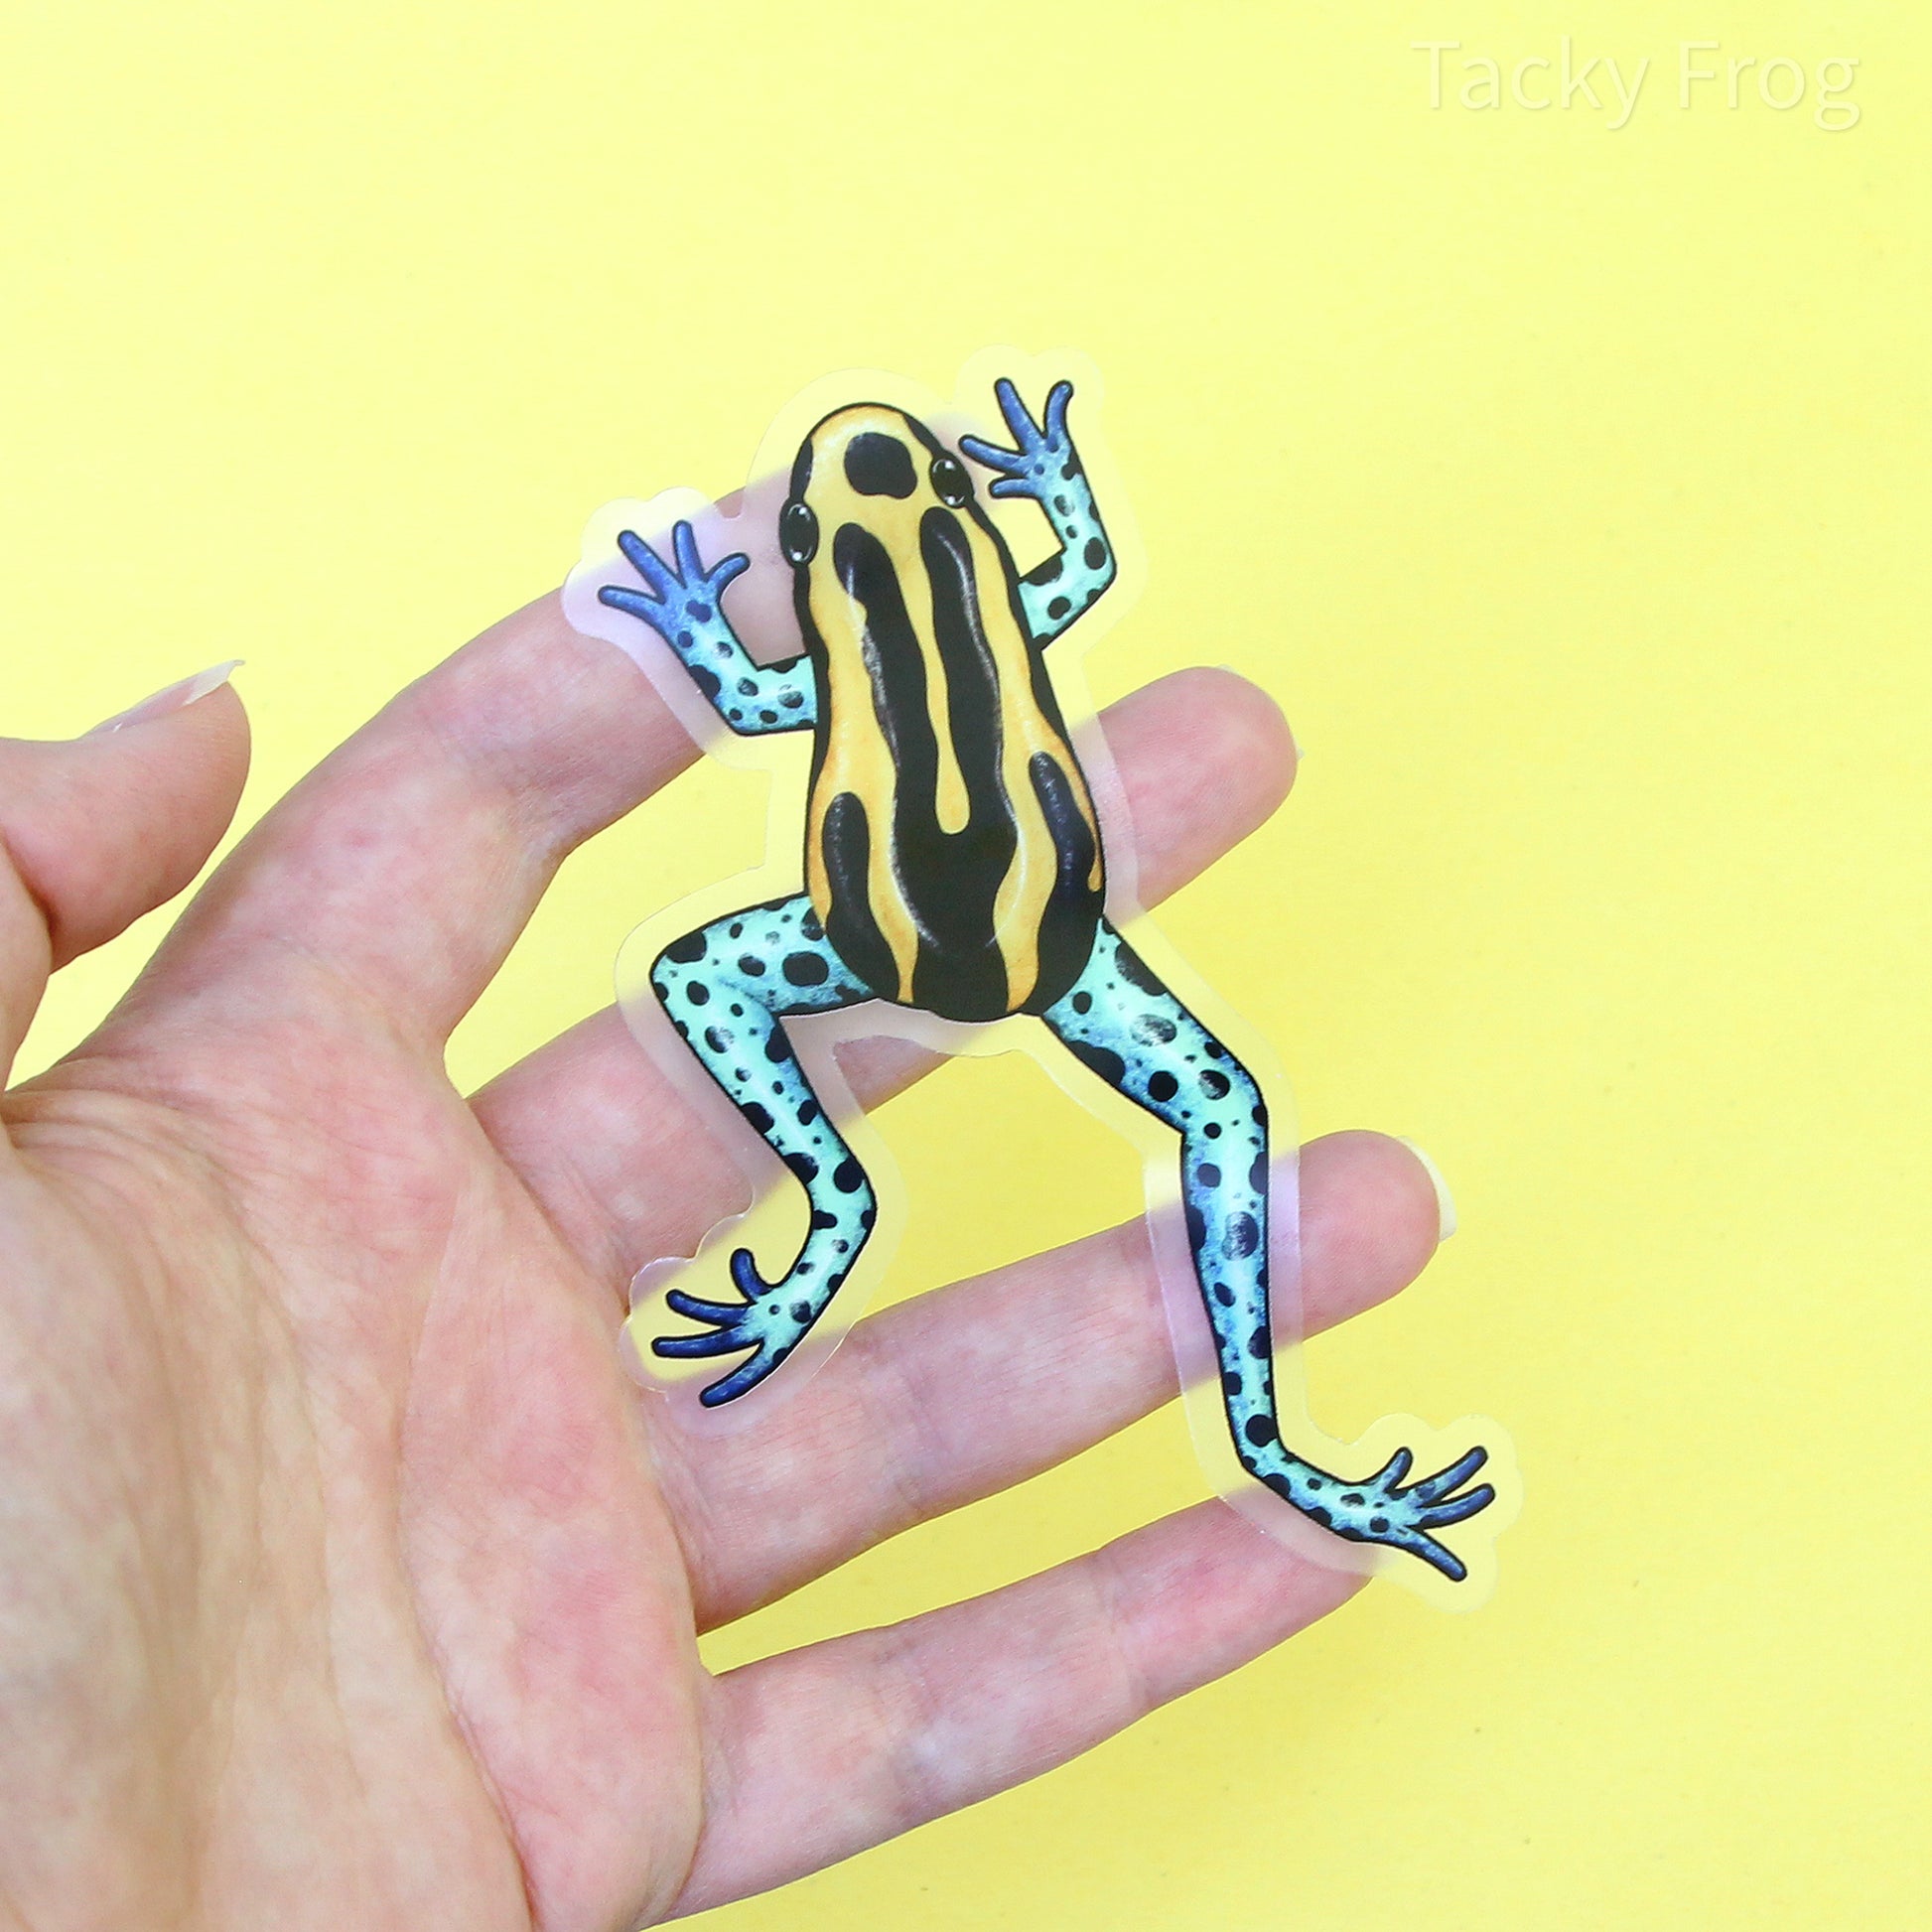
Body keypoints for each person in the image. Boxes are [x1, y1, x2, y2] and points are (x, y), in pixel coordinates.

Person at [0, 593, 1452, 1927]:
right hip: (1039, 939)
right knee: (1223, 1114)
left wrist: (700, 630)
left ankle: (843, 1211)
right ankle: (1238, 1429)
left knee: (704, 977)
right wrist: (1045, 486)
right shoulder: (995, 595)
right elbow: (1058, 572)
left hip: (896, 930)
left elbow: (763, 698)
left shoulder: (845, 631)